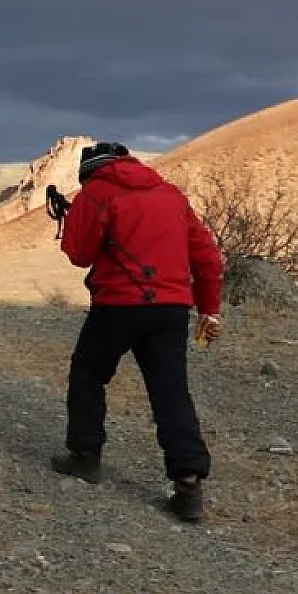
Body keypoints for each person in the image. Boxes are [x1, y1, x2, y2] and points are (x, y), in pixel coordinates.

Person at [50, 141, 224, 523]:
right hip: (172, 310)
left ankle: (85, 456)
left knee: (89, 372)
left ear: (90, 171)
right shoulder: (170, 194)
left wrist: (75, 216)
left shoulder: (97, 193)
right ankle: (189, 484)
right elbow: (207, 256)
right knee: (171, 390)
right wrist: (209, 309)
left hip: (117, 306)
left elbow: (79, 253)